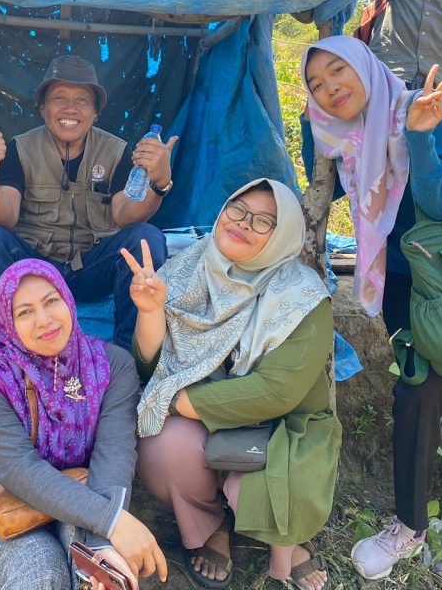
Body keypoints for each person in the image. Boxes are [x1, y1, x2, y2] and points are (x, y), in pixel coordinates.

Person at [301, 35, 442, 582]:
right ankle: (410, 525)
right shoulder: (344, 133)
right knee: (419, 389)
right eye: (316, 84)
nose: (331, 87)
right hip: (405, 281)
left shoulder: (422, 108)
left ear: (365, 66)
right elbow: (332, 192)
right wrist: (312, 129)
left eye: (338, 71)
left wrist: (422, 136)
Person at [124, 179, 339, 590]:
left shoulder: (302, 297)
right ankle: (211, 528)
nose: (242, 223)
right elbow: (152, 367)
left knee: (259, 483)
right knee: (161, 448)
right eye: (237, 210)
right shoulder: (188, 268)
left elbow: (275, 393)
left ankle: (285, 544)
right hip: (201, 415)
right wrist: (150, 311)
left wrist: (177, 401)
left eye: (263, 221)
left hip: (281, 424)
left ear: (283, 235)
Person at [0, 258, 168, 590]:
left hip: (86, 494)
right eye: (25, 312)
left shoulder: (112, 365)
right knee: (41, 572)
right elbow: (20, 471)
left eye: (51, 301)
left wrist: (102, 541)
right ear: (7, 322)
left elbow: (114, 453)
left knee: (100, 575)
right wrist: (112, 521)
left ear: (68, 300)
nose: (44, 320)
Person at [0, 55, 175, 351]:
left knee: (146, 237)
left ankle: (129, 356)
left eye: (82, 100)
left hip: (92, 268)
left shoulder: (115, 151)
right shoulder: (20, 149)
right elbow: (3, 218)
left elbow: (126, 215)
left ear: (95, 113)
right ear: (42, 107)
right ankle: (6, 356)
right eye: (59, 98)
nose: (70, 108)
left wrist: (159, 183)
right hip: (35, 267)